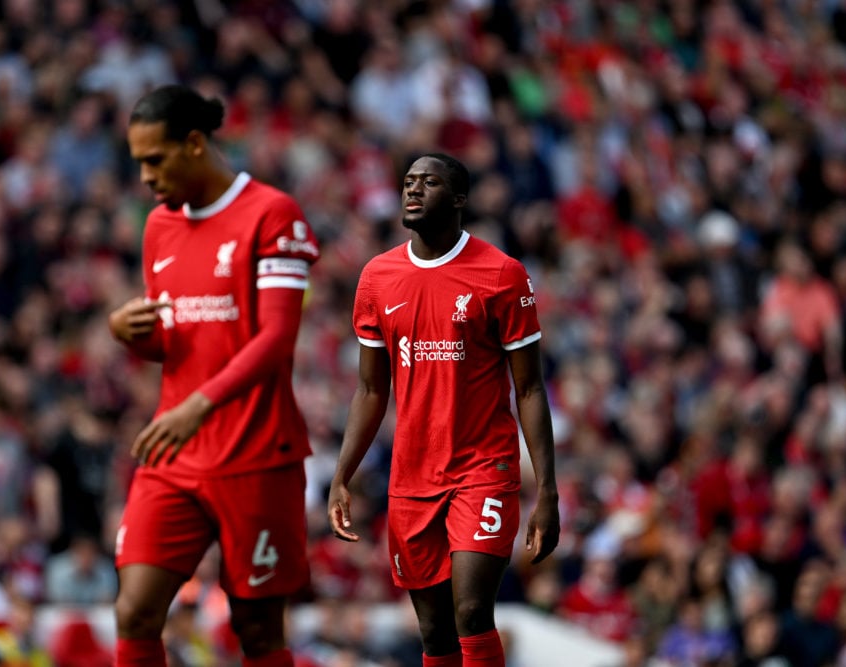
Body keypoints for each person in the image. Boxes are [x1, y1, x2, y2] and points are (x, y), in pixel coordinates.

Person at [108, 84, 320, 666]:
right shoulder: (158, 227)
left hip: (255, 452)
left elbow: (275, 339)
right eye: (138, 163)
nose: (147, 177)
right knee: (135, 611)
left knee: (256, 629)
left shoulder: (272, 214)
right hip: (176, 451)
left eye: (156, 159)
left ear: (195, 144)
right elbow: (178, 341)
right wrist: (129, 332)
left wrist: (198, 405)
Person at [328, 153, 560, 667]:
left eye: (428, 182)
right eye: (408, 181)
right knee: (434, 631)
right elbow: (370, 390)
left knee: (472, 612)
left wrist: (546, 490)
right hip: (411, 478)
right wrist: (343, 473)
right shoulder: (377, 278)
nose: (413, 190)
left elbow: (529, 389)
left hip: (483, 469)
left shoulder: (501, 274)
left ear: (458, 198)